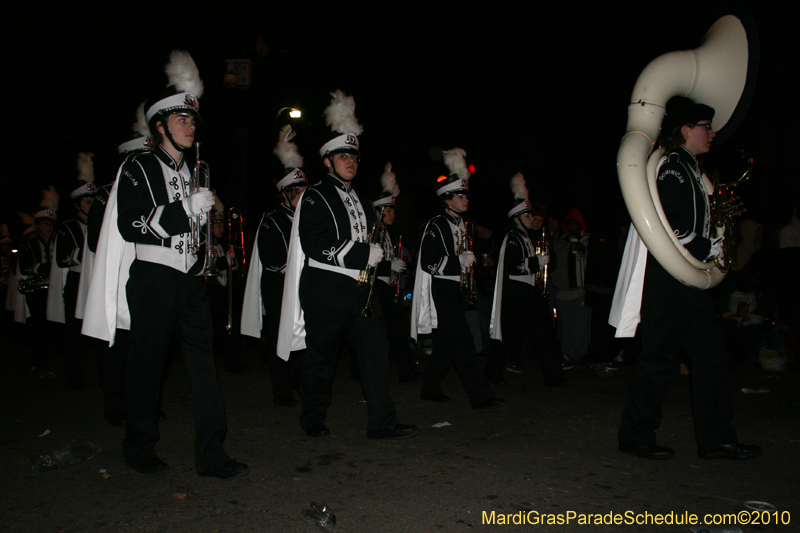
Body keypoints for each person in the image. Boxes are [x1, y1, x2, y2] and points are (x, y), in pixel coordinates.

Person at [83, 51, 248, 478]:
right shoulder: (137, 166)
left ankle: (212, 455)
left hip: (192, 280)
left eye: (193, 120)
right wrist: (182, 209)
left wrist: (210, 238)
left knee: (203, 367)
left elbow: (197, 228)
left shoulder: (198, 169)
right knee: (147, 365)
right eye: (181, 120)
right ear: (159, 126)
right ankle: (139, 447)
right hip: (153, 277)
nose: (190, 126)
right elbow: (132, 223)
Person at [612, 96, 761, 460]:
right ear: (686, 130)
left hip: (688, 280)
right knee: (658, 358)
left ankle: (717, 439)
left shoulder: (692, 168)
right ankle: (636, 436)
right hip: (669, 276)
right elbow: (675, 223)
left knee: (710, 358)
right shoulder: (673, 167)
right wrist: (706, 247)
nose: (711, 133)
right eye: (705, 127)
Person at [277, 91, 418, 440]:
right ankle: (312, 418)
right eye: (343, 156)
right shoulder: (315, 194)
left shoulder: (363, 199)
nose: (350, 161)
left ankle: (382, 422)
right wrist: (358, 254)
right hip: (326, 288)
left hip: (361, 290)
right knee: (321, 358)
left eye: (353, 156)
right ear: (327, 162)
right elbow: (314, 245)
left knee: (375, 353)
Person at [411, 147, 503, 409]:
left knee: (445, 345)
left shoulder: (466, 224)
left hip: (460, 289)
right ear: (447, 199)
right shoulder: (436, 225)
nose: (466, 199)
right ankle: (481, 396)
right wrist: (457, 262)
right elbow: (429, 262)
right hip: (443, 288)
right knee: (463, 342)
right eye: (460, 195)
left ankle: (429, 388)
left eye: (466, 194)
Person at [241, 125, 307, 407]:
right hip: (278, 285)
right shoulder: (273, 219)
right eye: (299, 191)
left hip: (300, 284)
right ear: (286, 193)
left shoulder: (304, 217)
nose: (304, 195)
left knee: (303, 334)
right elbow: (273, 259)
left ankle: (297, 380)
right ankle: (280, 389)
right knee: (280, 335)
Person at [488, 173, 565, 387]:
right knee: (505, 335)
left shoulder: (527, 238)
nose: (532, 219)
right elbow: (513, 266)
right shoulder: (512, 238)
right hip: (516, 293)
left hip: (530, 292)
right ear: (516, 218)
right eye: (528, 215)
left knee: (544, 335)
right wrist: (536, 263)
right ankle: (492, 374)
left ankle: (554, 376)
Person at [47, 153, 98, 389]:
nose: (92, 205)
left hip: (95, 282)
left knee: (100, 334)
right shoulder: (67, 227)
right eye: (87, 202)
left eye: (93, 201)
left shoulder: (100, 226)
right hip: (77, 283)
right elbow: (62, 259)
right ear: (78, 203)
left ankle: (104, 377)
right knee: (74, 335)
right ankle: (74, 378)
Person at [371, 163, 421, 383]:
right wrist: (388, 266)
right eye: (387, 210)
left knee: (394, 330)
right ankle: (404, 370)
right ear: (377, 212)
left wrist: (396, 265)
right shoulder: (372, 232)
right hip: (375, 287)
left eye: (393, 210)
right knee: (381, 331)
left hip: (388, 287)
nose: (392, 214)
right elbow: (366, 262)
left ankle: (406, 369)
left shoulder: (390, 234)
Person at [18, 190, 59, 376]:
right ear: (37, 225)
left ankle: (51, 362)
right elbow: (26, 267)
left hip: (53, 290)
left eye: (50, 224)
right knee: (38, 327)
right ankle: (38, 362)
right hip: (36, 291)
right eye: (44, 224)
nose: (48, 228)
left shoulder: (57, 242)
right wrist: (46, 268)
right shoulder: (28, 244)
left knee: (53, 328)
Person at [550, 208, 591, 367]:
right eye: (570, 224)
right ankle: (567, 354)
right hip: (563, 291)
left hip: (579, 291)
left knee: (580, 326)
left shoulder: (586, 239)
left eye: (576, 224)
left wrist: (583, 249)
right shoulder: (560, 240)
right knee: (565, 325)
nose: (573, 227)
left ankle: (579, 354)